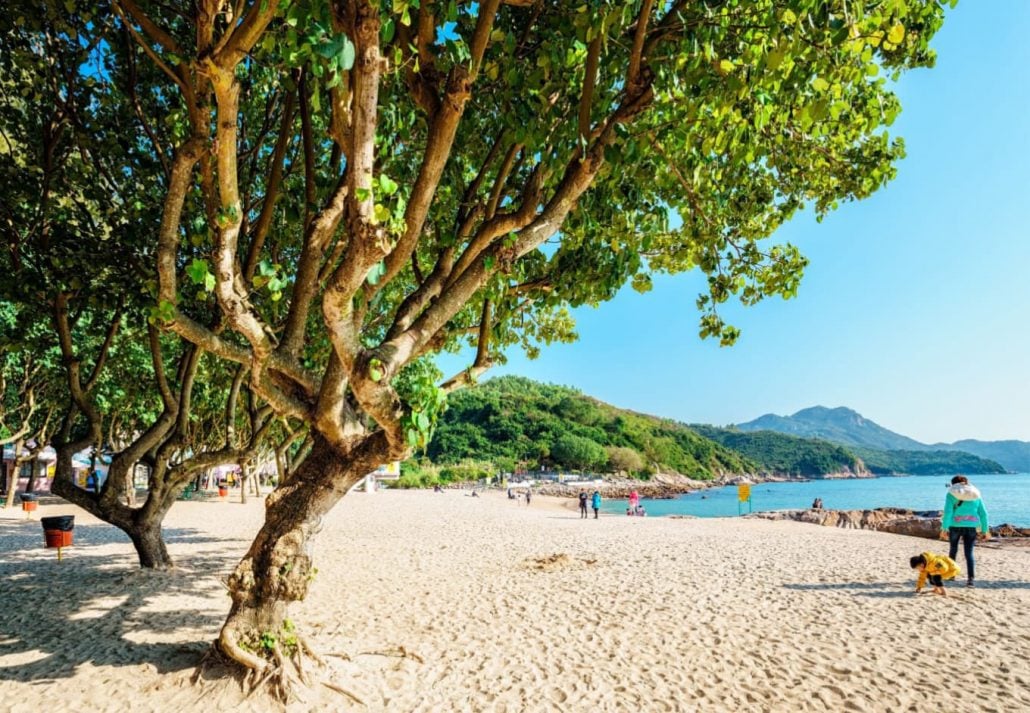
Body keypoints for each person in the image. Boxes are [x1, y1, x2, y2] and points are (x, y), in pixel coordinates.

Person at [940, 475, 990, 587]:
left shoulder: (951, 494)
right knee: (969, 553)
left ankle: (951, 575)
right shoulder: (976, 494)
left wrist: (944, 528)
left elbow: (948, 513)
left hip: (954, 526)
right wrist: (985, 530)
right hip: (971, 527)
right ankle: (970, 580)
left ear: (954, 484)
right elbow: (983, 514)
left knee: (953, 550)